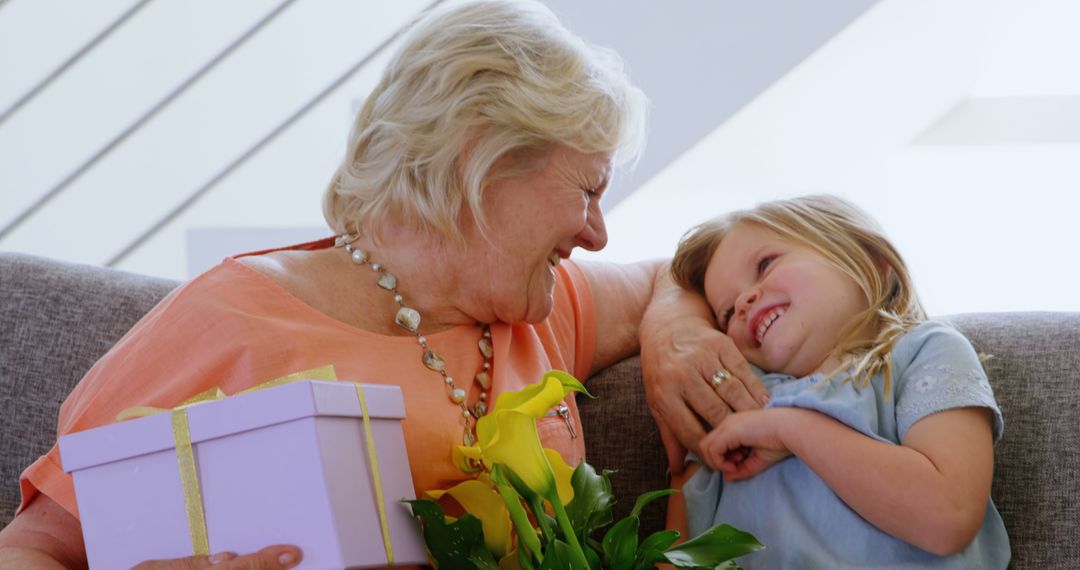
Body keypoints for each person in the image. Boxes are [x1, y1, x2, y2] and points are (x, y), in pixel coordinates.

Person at [0, 1, 711, 567]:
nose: (597, 233)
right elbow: (30, 549)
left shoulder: (540, 311)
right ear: (482, 160)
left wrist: (676, 330)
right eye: (588, 190)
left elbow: (672, 278)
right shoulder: (231, 318)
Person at [664, 195, 1010, 567]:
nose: (745, 302)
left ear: (867, 260)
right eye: (727, 312)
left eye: (765, 265)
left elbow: (948, 515)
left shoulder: (923, 352)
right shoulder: (733, 401)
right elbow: (674, 553)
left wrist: (790, 429)